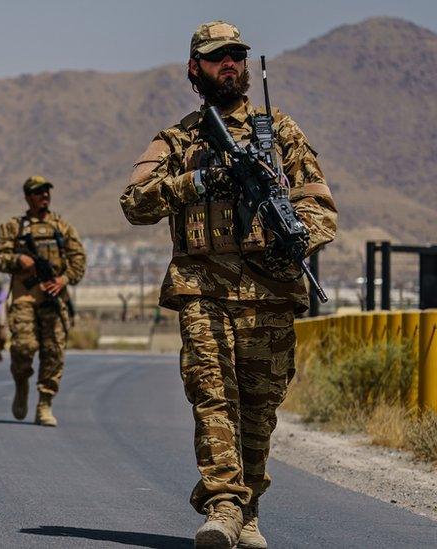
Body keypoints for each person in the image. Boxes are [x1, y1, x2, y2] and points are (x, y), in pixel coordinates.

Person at [120, 21, 337, 549]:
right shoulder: (178, 139)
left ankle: (249, 509)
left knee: (260, 407)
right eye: (218, 57)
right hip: (203, 288)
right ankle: (221, 506)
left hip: (271, 289)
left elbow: (321, 207)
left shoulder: (279, 133)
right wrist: (199, 179)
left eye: (237, 56)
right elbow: (134, 203)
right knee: (213, 397)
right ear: (195, 68)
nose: (230, 65)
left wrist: (298, 236)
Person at [0, 176, 86, 427]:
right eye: (38, 192)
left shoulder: (62, 227)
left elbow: (79, 262)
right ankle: (21, 382)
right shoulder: (14, 227)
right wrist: (18, 261)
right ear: (27, 197)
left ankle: (44, 404)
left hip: (54, 299)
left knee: (54, 351)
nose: (44, 196)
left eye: (46, 192)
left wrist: (63, 280)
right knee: (23, 346)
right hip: (24, 298)